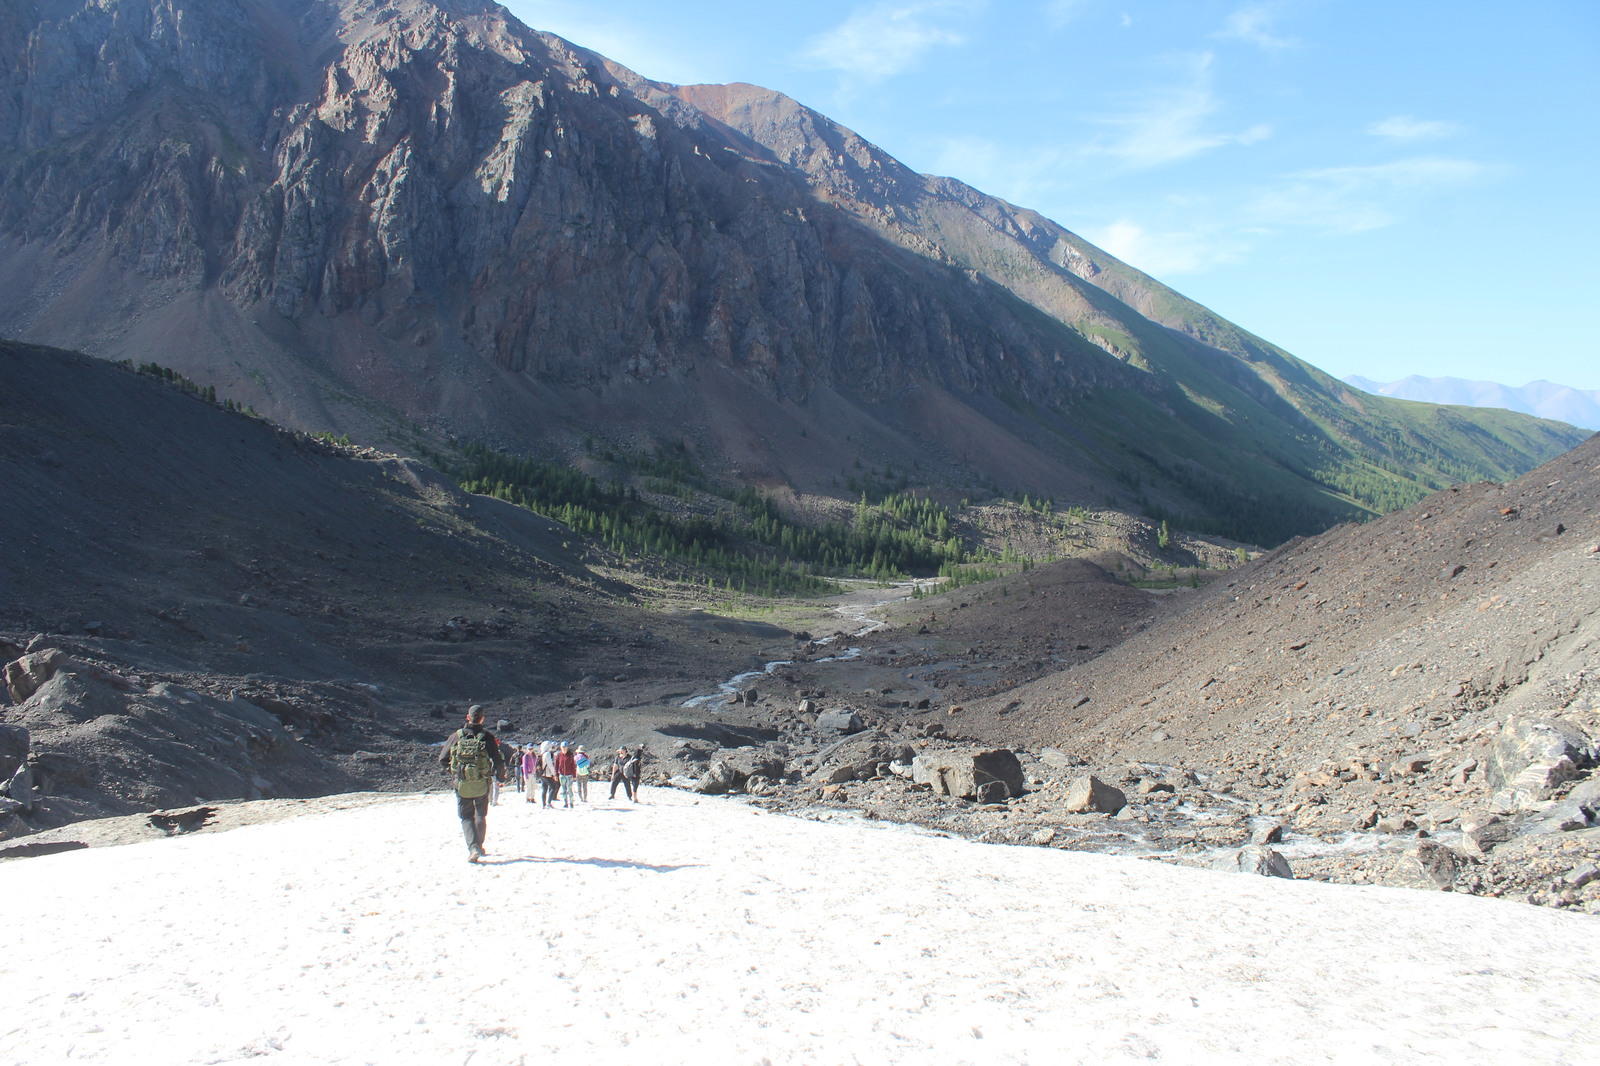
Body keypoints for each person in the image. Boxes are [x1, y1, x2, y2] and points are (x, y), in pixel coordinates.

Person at [439, 706, 508, 863]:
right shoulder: (487, 737)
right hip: (482, 783)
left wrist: (457, 772)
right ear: (482, 718)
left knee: (466, 817)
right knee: (480, 815)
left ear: (467, 717)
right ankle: (479, 846)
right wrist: (500, 777)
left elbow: (442, 759)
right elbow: (498, 761)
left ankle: (473, 847)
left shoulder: (456, 737)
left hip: (462, 784)